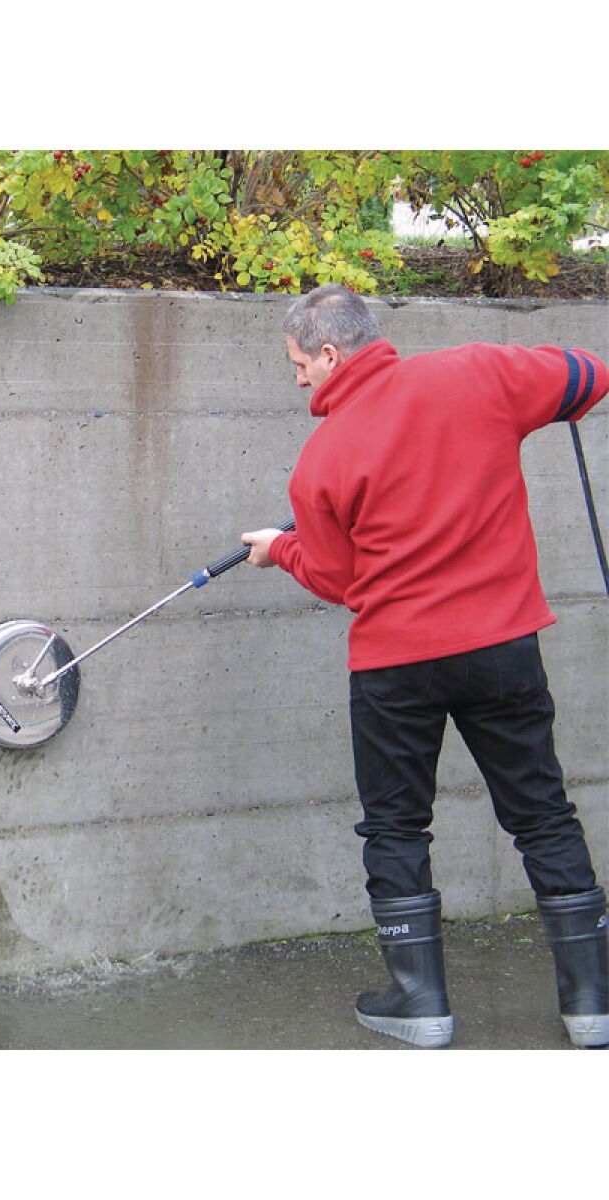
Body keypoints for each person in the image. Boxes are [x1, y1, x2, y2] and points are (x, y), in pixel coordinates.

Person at [241, 284, 608, 1049]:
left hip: (395, 666)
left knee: (397, 826)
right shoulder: (479, 373)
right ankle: (592, 1003)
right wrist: (561, 381)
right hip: (502, 649)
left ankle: (420, 1005)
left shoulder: (321, 461)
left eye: (300, 364)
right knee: (541, 814)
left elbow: (341, 581)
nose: (298, 378)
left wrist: (282, 551)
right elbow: (590, 376)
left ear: (331, 354)